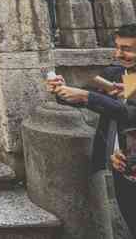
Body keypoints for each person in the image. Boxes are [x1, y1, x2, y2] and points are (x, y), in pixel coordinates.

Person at [47, 24, 136, 237]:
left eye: (127, 49)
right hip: (123, 168)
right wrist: (61, 89)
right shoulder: (115, 74)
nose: (119, 54)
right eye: (117, 47)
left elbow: (127, 113)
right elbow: (82, 99)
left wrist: (87, 97)